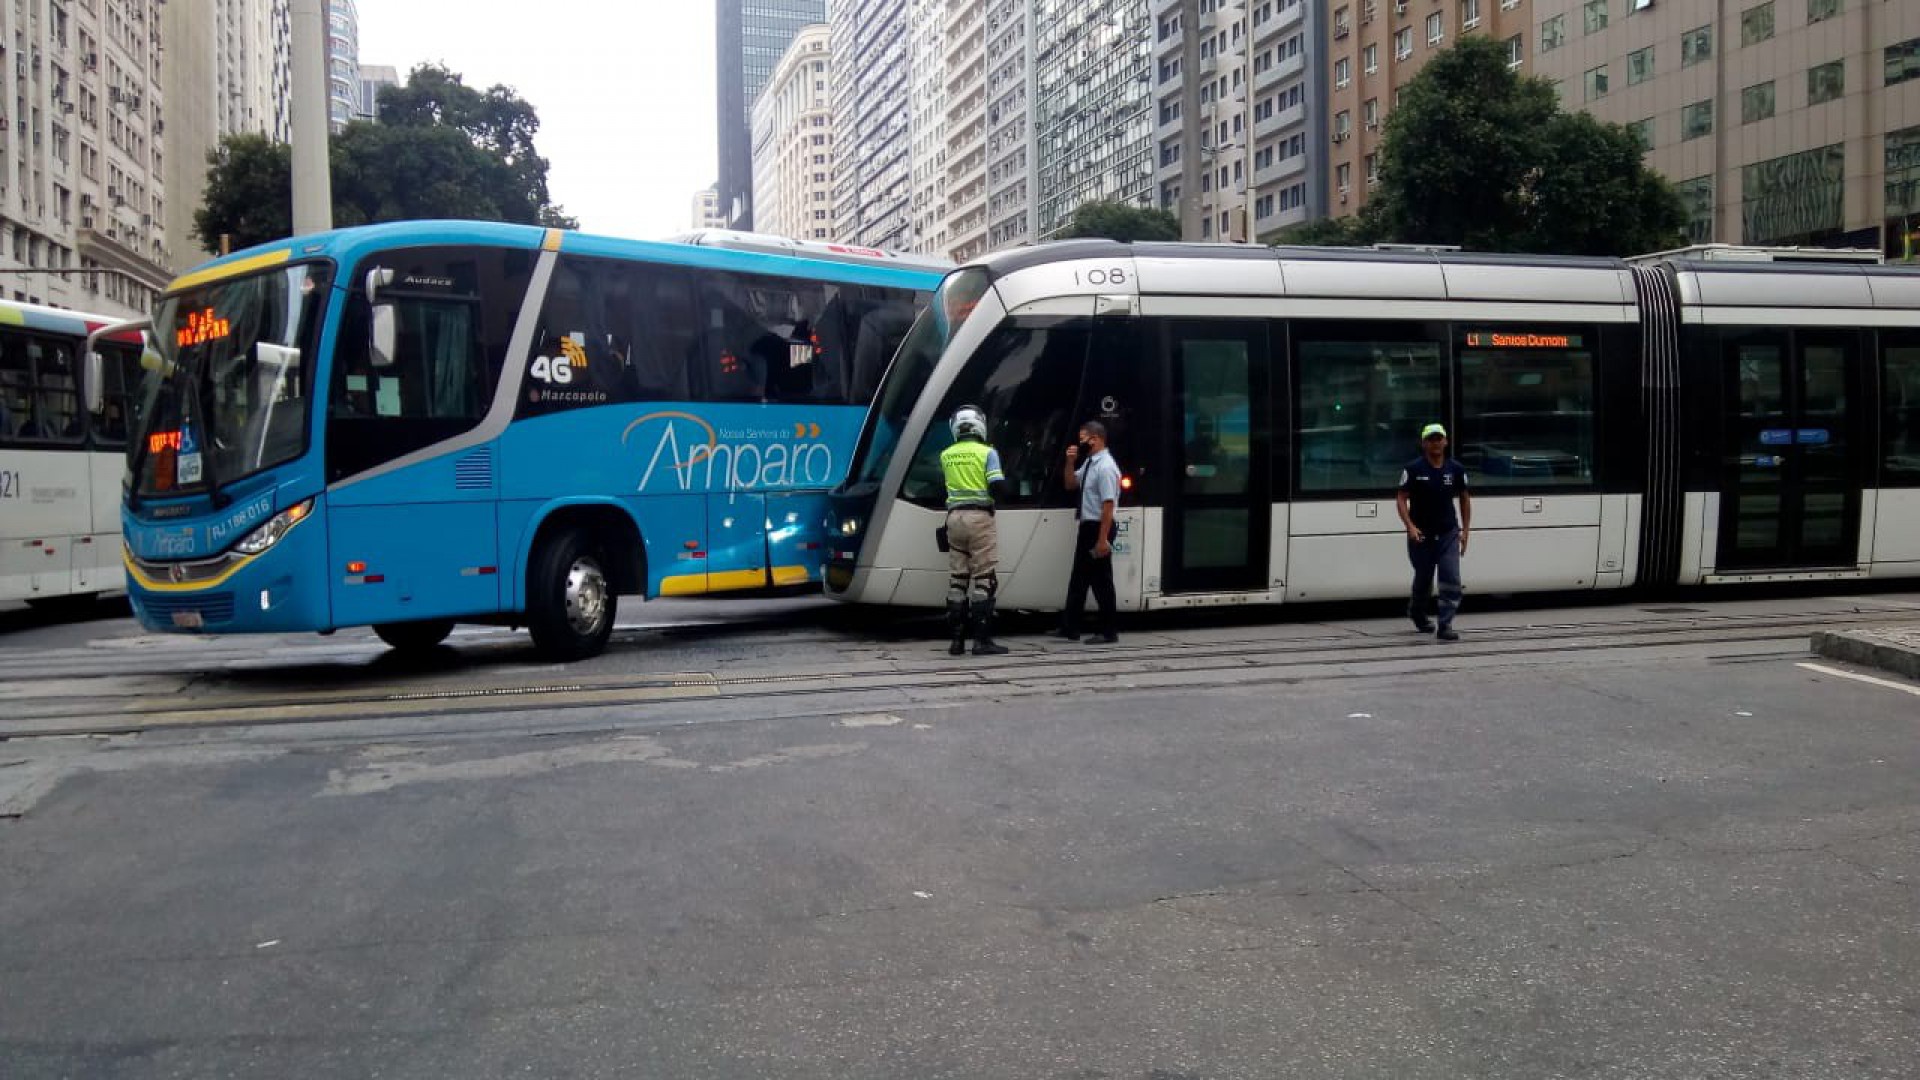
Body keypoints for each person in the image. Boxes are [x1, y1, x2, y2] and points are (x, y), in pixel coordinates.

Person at [939, 404, 1011, 656]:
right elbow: (997, 486)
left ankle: (956, 642)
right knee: (985, 579)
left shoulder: (946, 454)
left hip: (953, 518)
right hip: (979, 517)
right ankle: (981, 642)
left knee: (958, 579)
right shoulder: (987, 452)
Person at [1396, 422, 1472, 641]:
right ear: (1423, 443)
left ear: (1446, 442)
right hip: (1421, 534)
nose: (1436, 443)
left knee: (1451, 577)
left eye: (1439, 438)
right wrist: (1410, 526)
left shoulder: (1456, 469)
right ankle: (1417, 612)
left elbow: (1465, 499)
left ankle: (1445, 624)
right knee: (1424, 578)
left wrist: (1465, 531)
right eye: (1431, 439)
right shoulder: (1413, 469)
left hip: (1448, 532)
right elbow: (1401, 498)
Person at [1057, 420, 1122, 644]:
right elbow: (1070, 484)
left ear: (1096, 439)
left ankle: (1108, 631)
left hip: (1099, 527)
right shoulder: (1091, 463)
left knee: (1101, 579)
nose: (1080, 442)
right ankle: (1070, 627)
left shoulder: (1105, 467)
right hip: (1088, 527)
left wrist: (1103, 540)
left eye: (1083, 439)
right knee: (1079, 578)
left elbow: (1108, 505)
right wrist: (1070, 461)